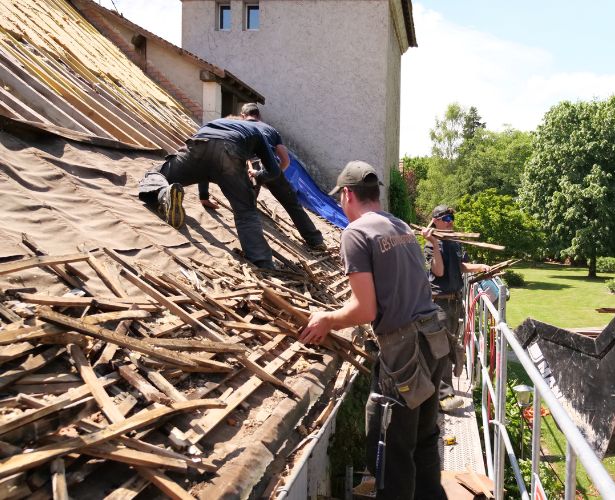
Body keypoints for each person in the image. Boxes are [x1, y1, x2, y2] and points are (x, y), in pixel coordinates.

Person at [300, 161, 449, 500]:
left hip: (405, 354)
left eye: (340, 197)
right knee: (424, 443)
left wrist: (327, 319)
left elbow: (365, 310)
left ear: (348, 193)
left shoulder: (355, 233)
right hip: (434, 340)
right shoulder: (400, 226)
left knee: (390, 454)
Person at [138, 116, 283, 269]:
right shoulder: (256, 132)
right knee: (245, 211)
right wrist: (257, 176)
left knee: (156, 174)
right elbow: (274, 171)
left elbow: (207, 163)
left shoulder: (214, 123)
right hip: (229, 154)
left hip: (198, 148)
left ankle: (164, 193)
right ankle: (262, 262)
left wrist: (204, 196)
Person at [197, 103, 325, 250]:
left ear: (243, 116)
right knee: (292, 205)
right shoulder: (271, 130)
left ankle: (255, 248)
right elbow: (286, 161)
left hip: (253, 165)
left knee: (247, 207)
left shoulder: (240, 127)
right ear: (259, 116)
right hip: (272, 165)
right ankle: (316, 240)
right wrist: (274, 174)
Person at [424, 205, 490, 412]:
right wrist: (434, 244)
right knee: (441, 348)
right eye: (446, 218)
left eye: (452, 217)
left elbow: (462, 266)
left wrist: (480, 267)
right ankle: (444, 396)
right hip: (439, 303)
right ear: (435, 221)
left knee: (452, 347)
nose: (451, 221)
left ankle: (443, 390)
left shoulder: (455, 242)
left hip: (455, 301)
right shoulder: (430, 245)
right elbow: (439, 271)